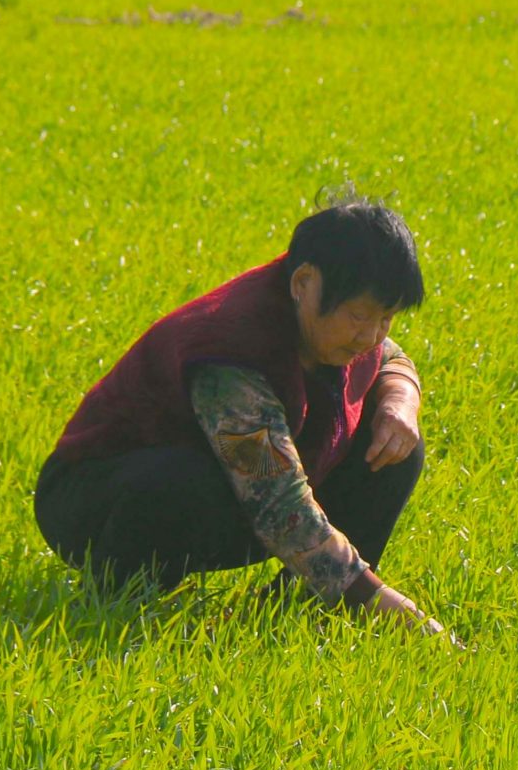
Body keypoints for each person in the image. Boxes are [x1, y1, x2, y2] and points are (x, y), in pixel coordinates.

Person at [34, 195, 447, 635]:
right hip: (97, 498)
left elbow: (388, 356)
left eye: (387, 317)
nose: (372, 334)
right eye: (360, 316)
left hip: (226, 486)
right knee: (187, 480)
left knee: (394, 443)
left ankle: (301, 611)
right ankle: (121, 597)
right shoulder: (233, 353)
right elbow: (276, 499)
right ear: (303, 283)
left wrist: (401, 400)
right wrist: (386, 605)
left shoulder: (337, 327)